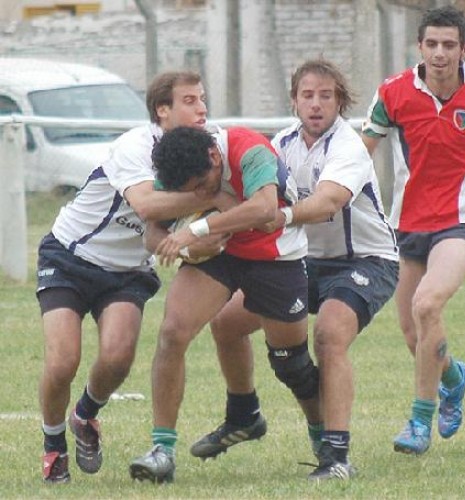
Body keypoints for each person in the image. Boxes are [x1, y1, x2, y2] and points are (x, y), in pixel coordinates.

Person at [190, 59, 399, 481]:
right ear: (294, 101)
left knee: (329, 334)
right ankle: (244, 413)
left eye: (327, 95)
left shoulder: (348, 146)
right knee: (226, 325)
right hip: (302, 262)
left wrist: (278, 217)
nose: (317, 104)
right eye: (308, 95)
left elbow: (327, 203)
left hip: (366, 261)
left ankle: (337, 456)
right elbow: (246, 193)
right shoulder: (281, 144)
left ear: (341, 101)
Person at [37, 71, 231, 483]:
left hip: (127, 272)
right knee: (62, 361)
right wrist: (210, 196)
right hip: (72, 255)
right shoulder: (136, 145)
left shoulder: (211, 144)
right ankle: (54, 446)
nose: (202, 108)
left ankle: (84, 416)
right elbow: (145, 205)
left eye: (202, 99)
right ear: (163, 110)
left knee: (118, 356)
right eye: (190, 100)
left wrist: (208, 236)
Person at [361, 5, 465, 455]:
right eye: (432, 44)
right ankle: (454, 378)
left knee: (427, 303)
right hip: (405, 225)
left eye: (449, 45)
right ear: (420, 47)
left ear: (464, 49)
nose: (439, 53)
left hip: (461, 221)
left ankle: (420, 421)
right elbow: (364, 150)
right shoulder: (393, 93)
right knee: (412, 332)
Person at [128, 125, 322, 484]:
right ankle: (162, 451)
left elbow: (264, 210)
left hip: (275, 254)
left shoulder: (250, 150)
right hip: (219, 254)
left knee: (291, 364)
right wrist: (184, 246)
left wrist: (196, 230)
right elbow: (153, 233)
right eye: (190, 192)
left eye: (203, 184)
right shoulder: (180, 167)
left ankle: (325, 442)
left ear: (215, 157)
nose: (198, 194)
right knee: (173, 333)